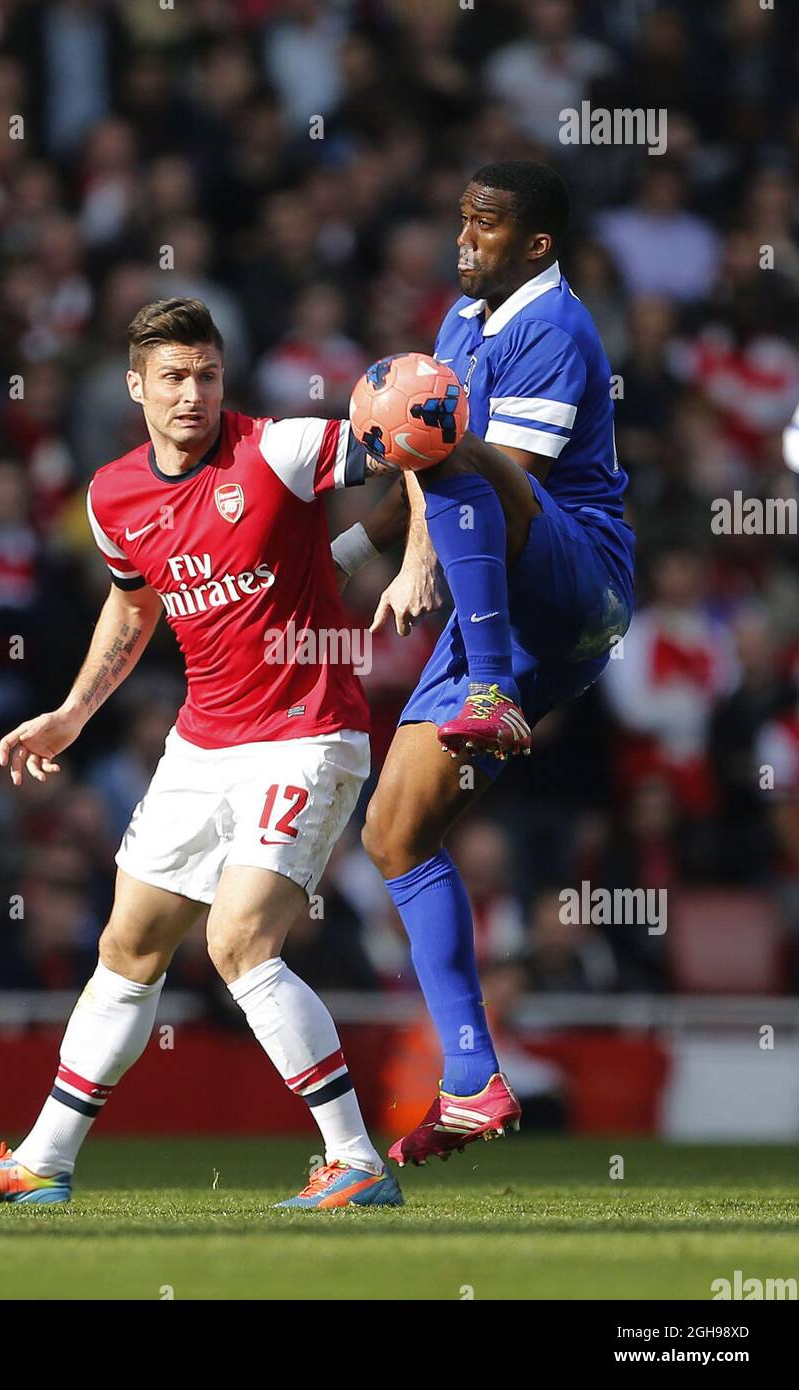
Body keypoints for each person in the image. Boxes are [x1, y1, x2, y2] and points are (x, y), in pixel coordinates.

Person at [0, 296, 406, 1210]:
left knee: (239, 941)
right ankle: (43, 1161)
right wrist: (71, 713)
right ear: (135, 386)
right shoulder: (112, 497)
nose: (193, 394)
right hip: (202, 740)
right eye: (174, 377)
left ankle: (357, 1161)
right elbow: (135, 608)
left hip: (306, 734)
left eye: (207, 374)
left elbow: (413, 443)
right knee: (128, 945)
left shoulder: (280, 450)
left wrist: (408, 559)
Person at [348, 161, 635, 1165]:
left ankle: (491, 687)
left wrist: (429, 562)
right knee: (391, 834)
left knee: (446, 432)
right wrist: (341, 560)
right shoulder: (459, 327)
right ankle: (471, 1078)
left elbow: (497, 477)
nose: (464, 235)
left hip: (576, 587)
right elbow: (422, 476)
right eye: (462, 216)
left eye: (486, 223)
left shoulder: (552, 328)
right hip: (494, 609)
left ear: (536, 245)